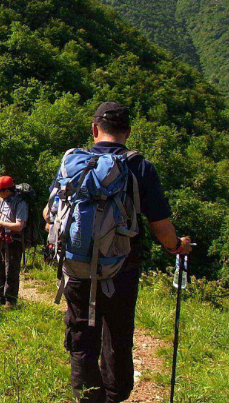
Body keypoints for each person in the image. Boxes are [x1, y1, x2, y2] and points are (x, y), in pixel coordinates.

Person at [43, 102, 193, 403]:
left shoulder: (73, 162)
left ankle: (86, 396)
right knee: (118, 335)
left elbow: (49, 213)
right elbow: (160, 225)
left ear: (94, 129)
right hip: (122, 269)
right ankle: (114, 396)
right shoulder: (139, 166)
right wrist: (177, 246)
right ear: (128, 132)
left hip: (76, 267)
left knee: (81, 334)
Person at [0, 176, 28, 308]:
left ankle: (10, 301)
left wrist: (1, 223)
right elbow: (1, 214)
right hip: (2, 240)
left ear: (7, 190)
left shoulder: (21, 203)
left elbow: (19, 225)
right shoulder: (4, 200)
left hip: (14, 241)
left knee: (11, 272)